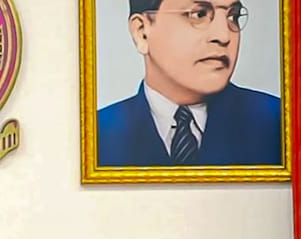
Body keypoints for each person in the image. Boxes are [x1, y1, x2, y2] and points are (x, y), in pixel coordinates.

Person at [97, 0, 281, 167]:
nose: (224, 35)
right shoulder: (96, 136)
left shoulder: (278, 124)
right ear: (142, 32)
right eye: (199, 14)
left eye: (232, 16)